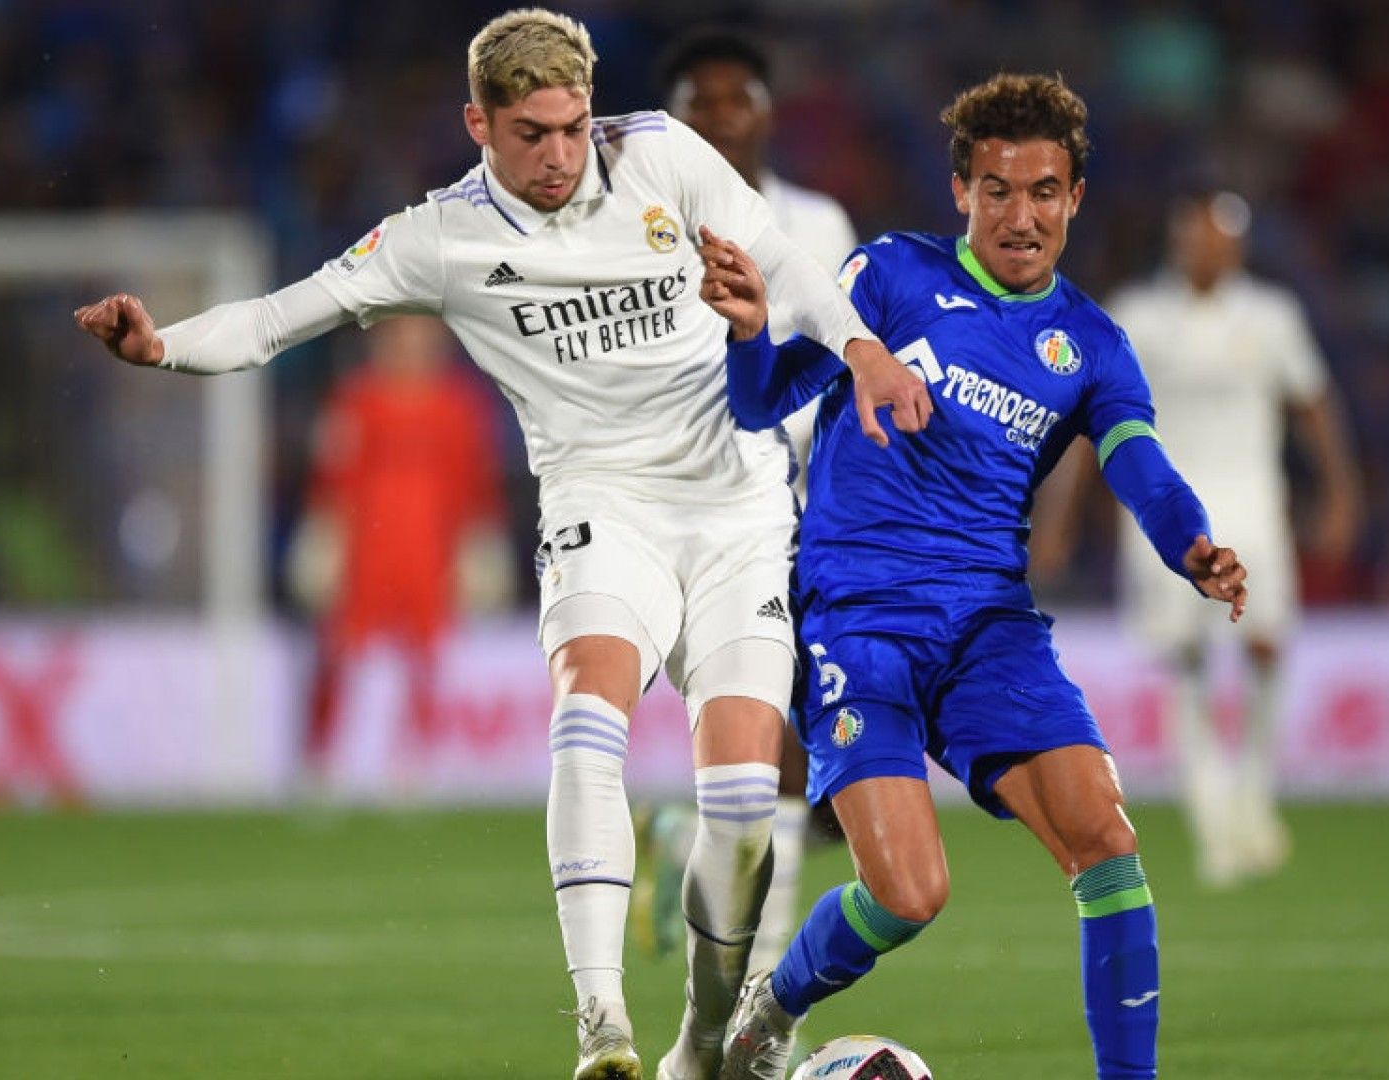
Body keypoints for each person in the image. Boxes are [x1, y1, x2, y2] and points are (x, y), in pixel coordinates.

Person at [70, 10, 931, 1080]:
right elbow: (284, 317)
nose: (561, 154)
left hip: (738, 508)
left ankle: (707, 1043)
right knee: (586, 724)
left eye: (573, 127)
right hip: (599, 507)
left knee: (747, 802)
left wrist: (862, 354)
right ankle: (602, 1027)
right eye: (532, 133)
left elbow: (793, 268)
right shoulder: (440, 237)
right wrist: (162, 349)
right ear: (478, 122)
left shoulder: (659, 151)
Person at [697, 74, 1248, 1079]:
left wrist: (1191, 544)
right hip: (857, 619)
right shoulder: (889, 278)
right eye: (998, 190)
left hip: (988, 627)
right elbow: (762, 398)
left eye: (1044, 191)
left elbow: (1139, 463)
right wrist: (746, 334)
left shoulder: (1091, 345)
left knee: (1107, 842)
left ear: (1075, 197)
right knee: (908, 895)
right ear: (962, 191)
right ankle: (771, 1011)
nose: (1022, 215)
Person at [631, 27, 858, 982]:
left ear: (768, 114)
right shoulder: (636, 221)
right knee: (778, 760)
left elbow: (844, 350)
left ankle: (701, 856)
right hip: (693, 504)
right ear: (673, 119)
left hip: (803, 504)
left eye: (738, 101)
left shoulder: (818, 222)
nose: (720, 117)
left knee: (827, 779)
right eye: (701, 101)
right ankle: (753, 990)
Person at [1106, 191, 1360, 885]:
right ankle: (1212, 816)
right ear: (1177, 238)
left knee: (1267, 643)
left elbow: (1312, 404)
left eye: (1220, 237)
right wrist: (1063, 515)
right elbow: (1097, 421)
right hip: (1166, 506)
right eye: (1195, 235)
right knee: (1185, 658)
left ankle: (1252, 792)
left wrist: (1340, 493)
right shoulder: (1138, 316)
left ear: (1238, 245)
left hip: (1254, 499)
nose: (1207, 248)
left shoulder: (1271, 316)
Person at [290, 315, 511, 786]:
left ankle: (411, 764)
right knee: (338, 654)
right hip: (365, 551)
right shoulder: (356, 400)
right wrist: (322, 536)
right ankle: (319, 762)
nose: (412, 346)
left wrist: (482, 546)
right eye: (402, 336)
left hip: (429, 552)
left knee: (426, 660)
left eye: (422, 336)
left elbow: (476, 484)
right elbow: (332, 475)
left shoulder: (460, 406)